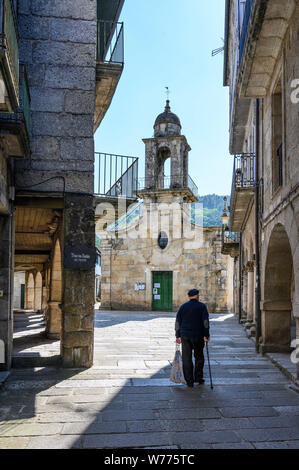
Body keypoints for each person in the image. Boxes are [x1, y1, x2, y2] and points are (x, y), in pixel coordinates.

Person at [175, 289, 210, 388]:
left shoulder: (183, 307)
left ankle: (189, 380)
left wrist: (177, 335)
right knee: (199, 357)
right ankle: (198, 377)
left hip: (185, 335)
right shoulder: (202, 306)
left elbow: (178, 322)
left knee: (187, 358)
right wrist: (206, 335)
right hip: (198, 335)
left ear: (189, 297)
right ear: (197, 296)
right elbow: (205, 322)